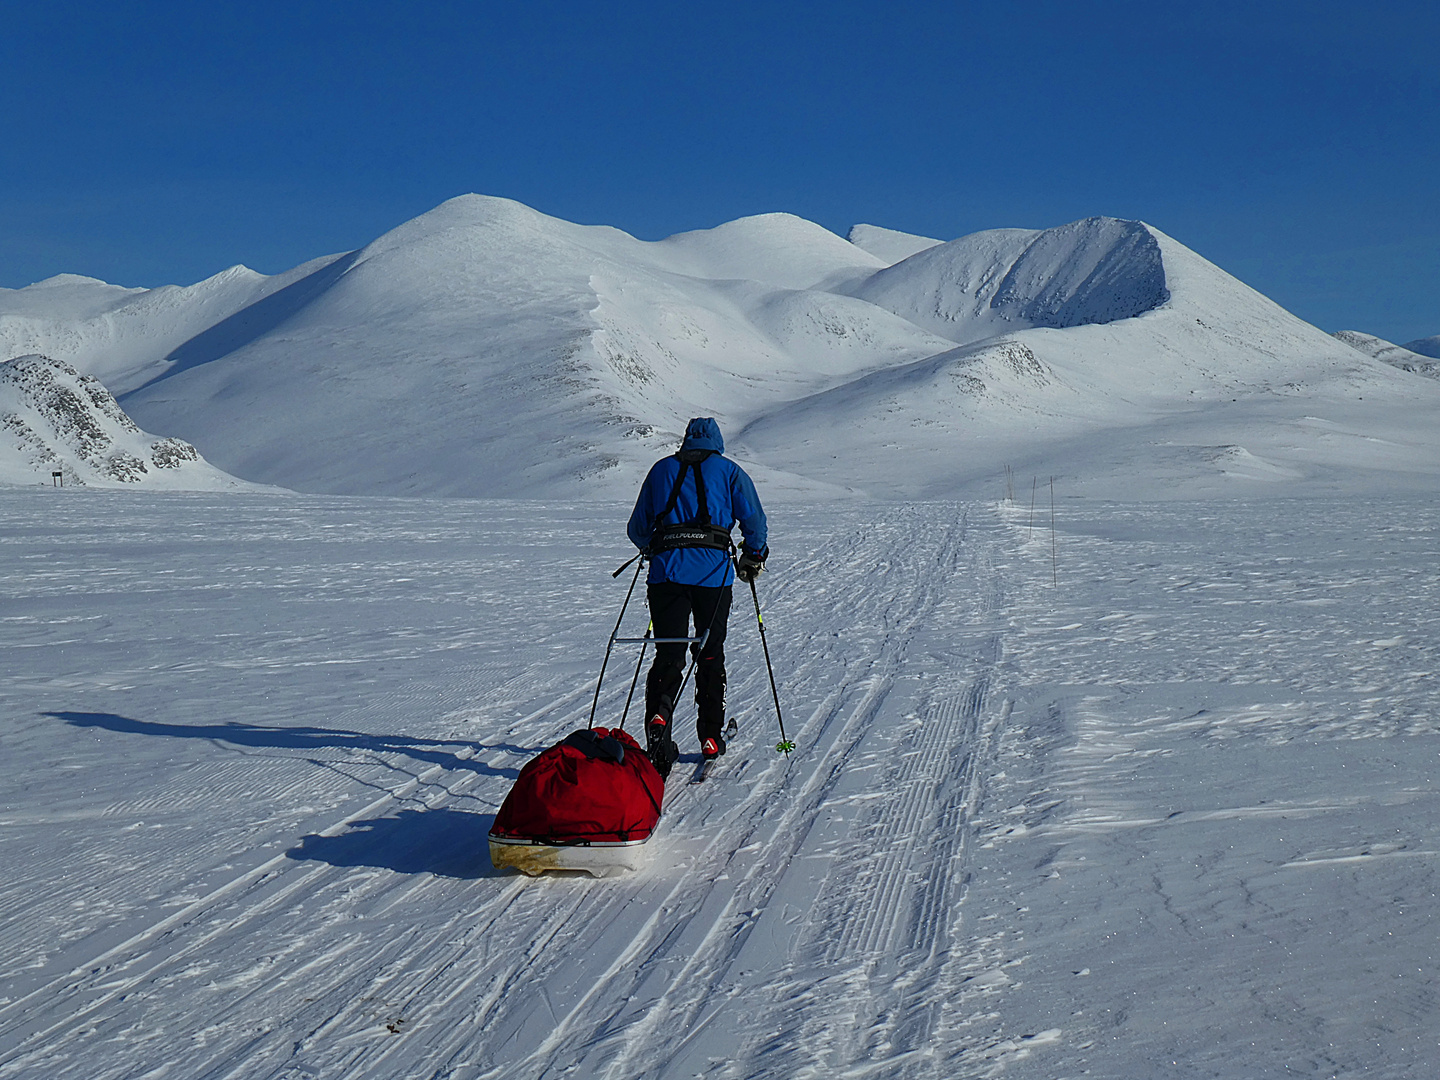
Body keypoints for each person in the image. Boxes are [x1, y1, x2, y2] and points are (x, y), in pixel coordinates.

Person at [627, 417, 768, 779]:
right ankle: (709, 736)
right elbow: (754, 521)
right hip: (713, 577)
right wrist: (754, 554)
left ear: (687, 440)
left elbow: (637, 528)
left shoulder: (661, 470)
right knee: (709, 652)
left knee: (669, 652)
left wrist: (656, 550)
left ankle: (658, 727)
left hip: (666, 576)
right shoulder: (730, 471)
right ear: (717, 441)